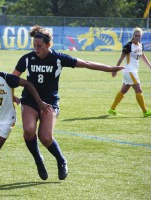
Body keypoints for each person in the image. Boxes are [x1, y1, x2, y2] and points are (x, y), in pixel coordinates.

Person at [11, 25, 124, 181]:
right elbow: (12, 78)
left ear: (48, 45)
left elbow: (86, 63)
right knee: (29, 131)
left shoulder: (58, 58)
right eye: (34, 45)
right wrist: (12, 96)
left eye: (39, 46)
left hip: (49, 102)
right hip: (30, 100)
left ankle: (61, 160)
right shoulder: (27, 59)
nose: (36, 48)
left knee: (45, 138)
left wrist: (110, 68)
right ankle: (38, 159)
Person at [108, 27, 151, 117]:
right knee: (139, 90)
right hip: (129, 71)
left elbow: (143, 56)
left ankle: (112, 109)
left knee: (124, 90)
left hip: (133, 71)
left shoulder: (141, 45)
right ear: (133, 36)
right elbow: (121, 57)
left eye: (139, 36)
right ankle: (145, 112)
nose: (137, 37)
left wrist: (150, 66)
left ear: (141, 36)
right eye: (136, 35)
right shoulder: (128, 45)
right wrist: (115, 69)